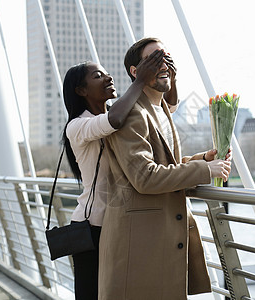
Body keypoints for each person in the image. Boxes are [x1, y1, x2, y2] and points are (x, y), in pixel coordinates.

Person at [98, 37, 232, 299]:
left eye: (167, 58)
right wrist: (207, 171)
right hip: (139, 246)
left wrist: (204, 160)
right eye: (155, 59)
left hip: (159, 243)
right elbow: (145, 176)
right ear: (135, 72)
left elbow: (166, 166)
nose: (164, 64)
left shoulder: (161, 110)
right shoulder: (131, 113)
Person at [62, 48, 171, 299]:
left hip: (119, 224)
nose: (109, 78)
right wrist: (140, 80)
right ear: (81, 90)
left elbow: (160, 113)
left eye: (108, 73)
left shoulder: (117, 115)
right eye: (98, 76)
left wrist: (167, 79)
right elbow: (115, 119)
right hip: (91, 227)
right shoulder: (78, 126)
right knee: (91, 294)